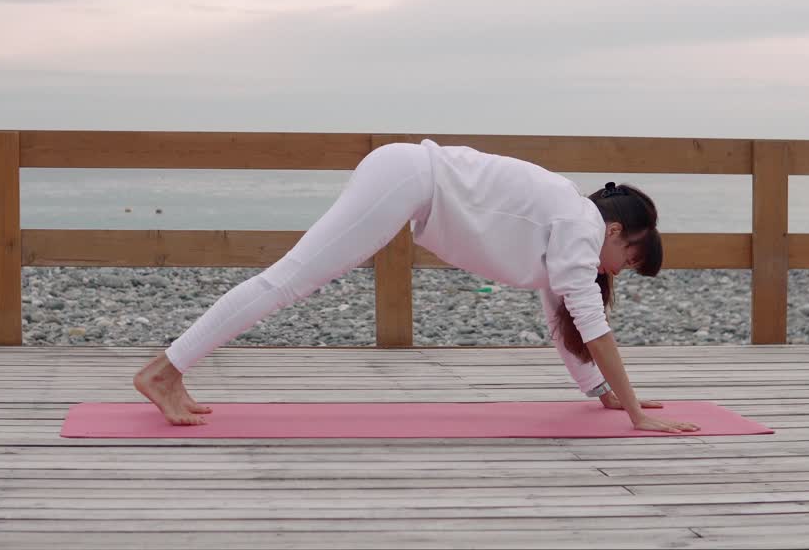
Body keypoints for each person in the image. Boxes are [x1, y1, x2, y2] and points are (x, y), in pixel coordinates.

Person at [134, 139, 701, 433]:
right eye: (629, 259)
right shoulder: (581, 225)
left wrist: (604, 395)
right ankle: (164, 370)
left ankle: (169, 369)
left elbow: (566, 324)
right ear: (618, 229)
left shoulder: (569, 228)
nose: (621, 270)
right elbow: (594, 328)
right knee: (291, 280)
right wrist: (636, 414)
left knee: (292, 281)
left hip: (407, 176)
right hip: (409, 177)